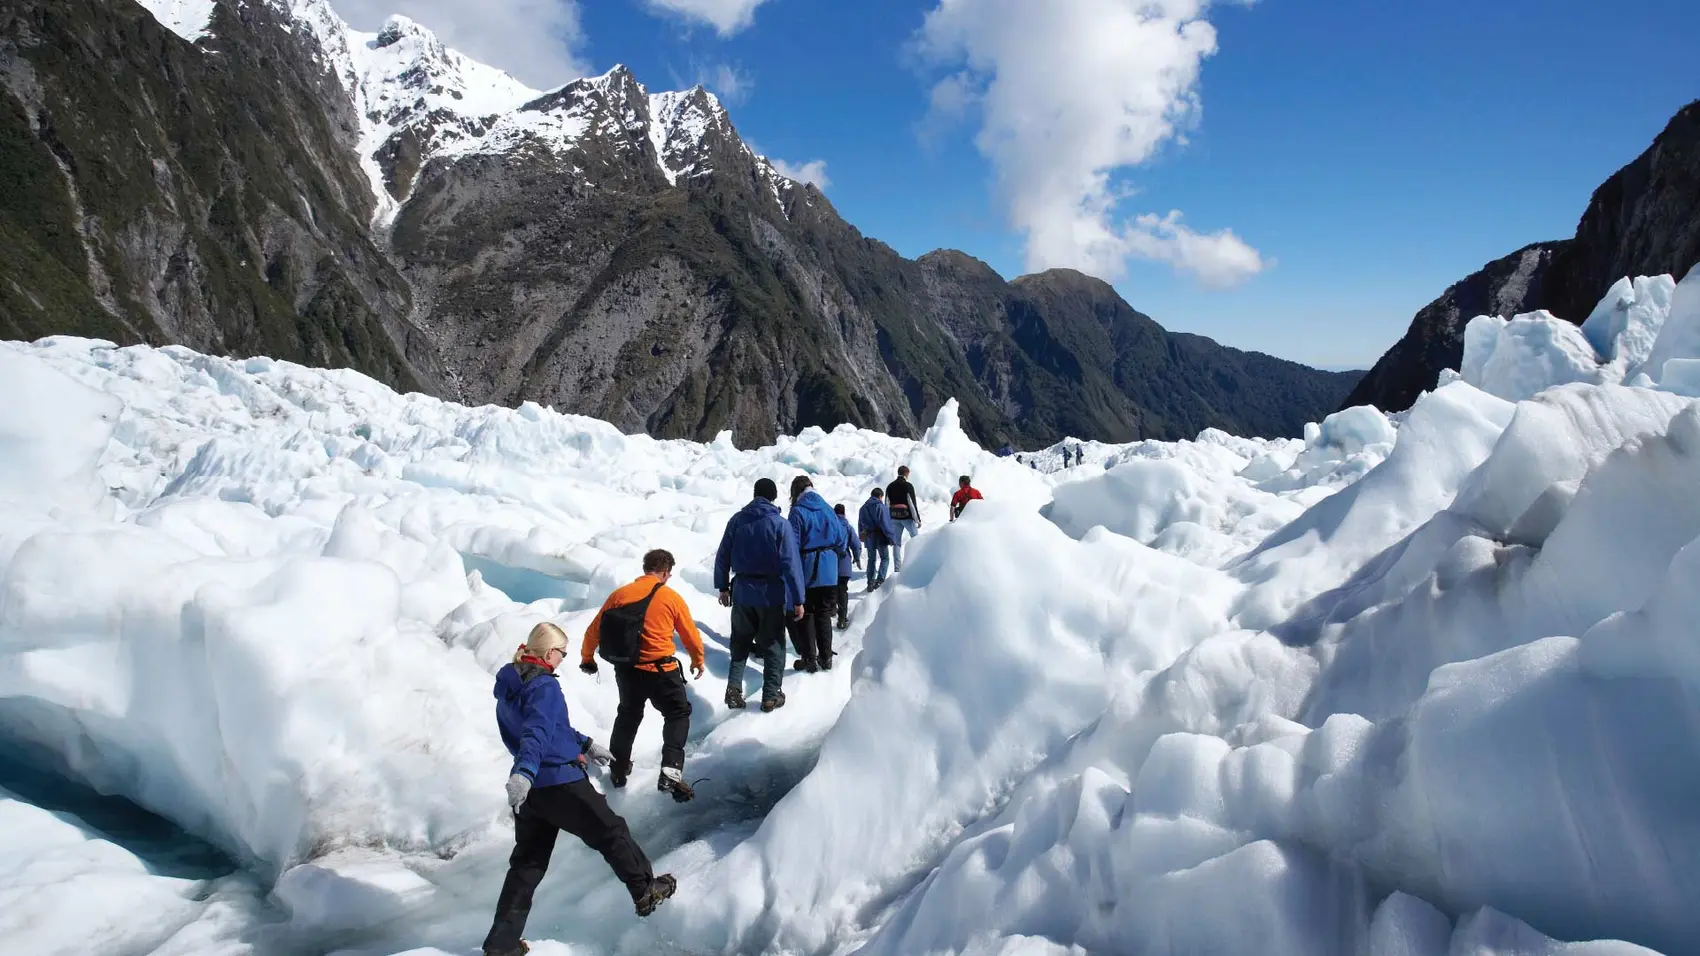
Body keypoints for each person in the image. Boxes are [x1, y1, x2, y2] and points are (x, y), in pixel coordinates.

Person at [484, 623, 677, 956]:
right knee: (612, 832)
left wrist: (585, 743)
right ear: (548, 653)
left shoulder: (511, 684)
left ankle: (501, 944)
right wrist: (525, 771)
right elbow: (538, 733)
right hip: (559, 782)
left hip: (534, 795)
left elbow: (551, 727)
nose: (564, 658)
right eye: (562, 652)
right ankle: (645, 891)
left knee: (527, 865)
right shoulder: (544, 686)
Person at [579, 550, 703, 803]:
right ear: (666, 571)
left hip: (627, 670)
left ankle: (618, 770)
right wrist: (697, 659)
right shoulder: (670, 597)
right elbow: (689, 633)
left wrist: (587, 658)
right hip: (662, 671)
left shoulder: (619, 595)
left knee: (628, 714)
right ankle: (670, 769)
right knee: (677, 714)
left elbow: (594, 630)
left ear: (645, 568)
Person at [713, 478, 806, 712]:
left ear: (755, 494)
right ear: (774, 497)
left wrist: (723, 587)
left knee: (740, 641)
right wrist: (798, 599)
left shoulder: (736, 520)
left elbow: (722, 555)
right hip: (770, 593)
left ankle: (734, 689)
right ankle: (771, 695)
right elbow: (791, 564)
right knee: (774, 644)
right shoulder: (779, 524)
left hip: (743, 591)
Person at [787, 475, 847, 672]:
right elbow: (841, 538)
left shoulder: (797, 512)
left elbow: (792, 546)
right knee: (824, 614)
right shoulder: (828, 509)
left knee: (806, 615)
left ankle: (809, 659)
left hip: (807, 570)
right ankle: (826, 656)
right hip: (829, 571)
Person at [858, 486, 898, 590]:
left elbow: (860, 525)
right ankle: (880, 580)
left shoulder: (863, 508)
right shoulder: (881, 507)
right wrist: (891, 537)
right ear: (880, 496)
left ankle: (870, 582)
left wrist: (861, 536)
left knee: (871, 559)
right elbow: (885, 524)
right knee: (885, 558)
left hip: (869, 536)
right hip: (880, 536)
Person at [885, 465, 922, 571]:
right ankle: (916, 563)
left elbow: (887, 503)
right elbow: (911, 503)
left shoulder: (890, 486)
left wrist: (888, 519)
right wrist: (917, 519)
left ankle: (897, 568)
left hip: (894, 517)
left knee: (896, 543)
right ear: (906, 473)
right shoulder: (908, 486)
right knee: (916, 539)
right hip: (907, 517)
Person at [832, 503, 862, 629]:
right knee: (843, 591)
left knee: (832, 588)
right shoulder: (848, 527)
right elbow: (855, 544)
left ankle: (832, 610)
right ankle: (842, 619)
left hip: (830, 564)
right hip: (844, 563)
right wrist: (856, 557)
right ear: (844, 513)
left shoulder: (830, 525)